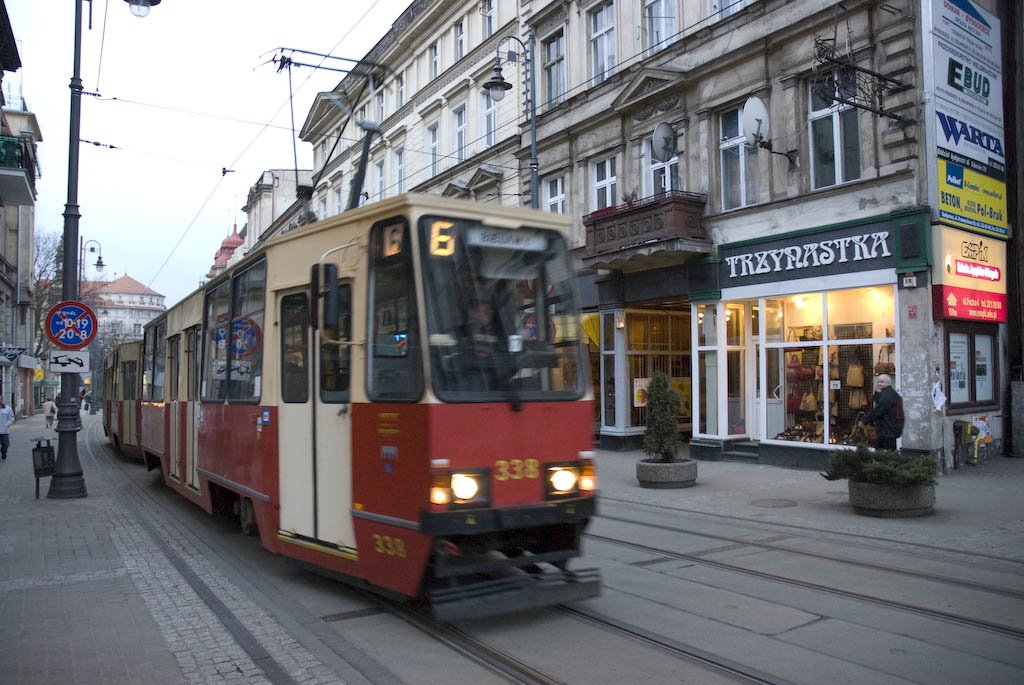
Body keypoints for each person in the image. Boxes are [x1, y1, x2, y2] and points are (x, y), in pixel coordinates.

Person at [859, 373, 904, 450]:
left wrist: (864, 421)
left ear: (888, 383)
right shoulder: (888, 393)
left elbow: (878, 410)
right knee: (881, 452)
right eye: (878, 382)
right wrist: (877, 392)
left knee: (885, 454)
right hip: (887, 429)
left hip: (889, 430)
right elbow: (878, 403)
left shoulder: (888, 395)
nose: (879, 383)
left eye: (882, 382)